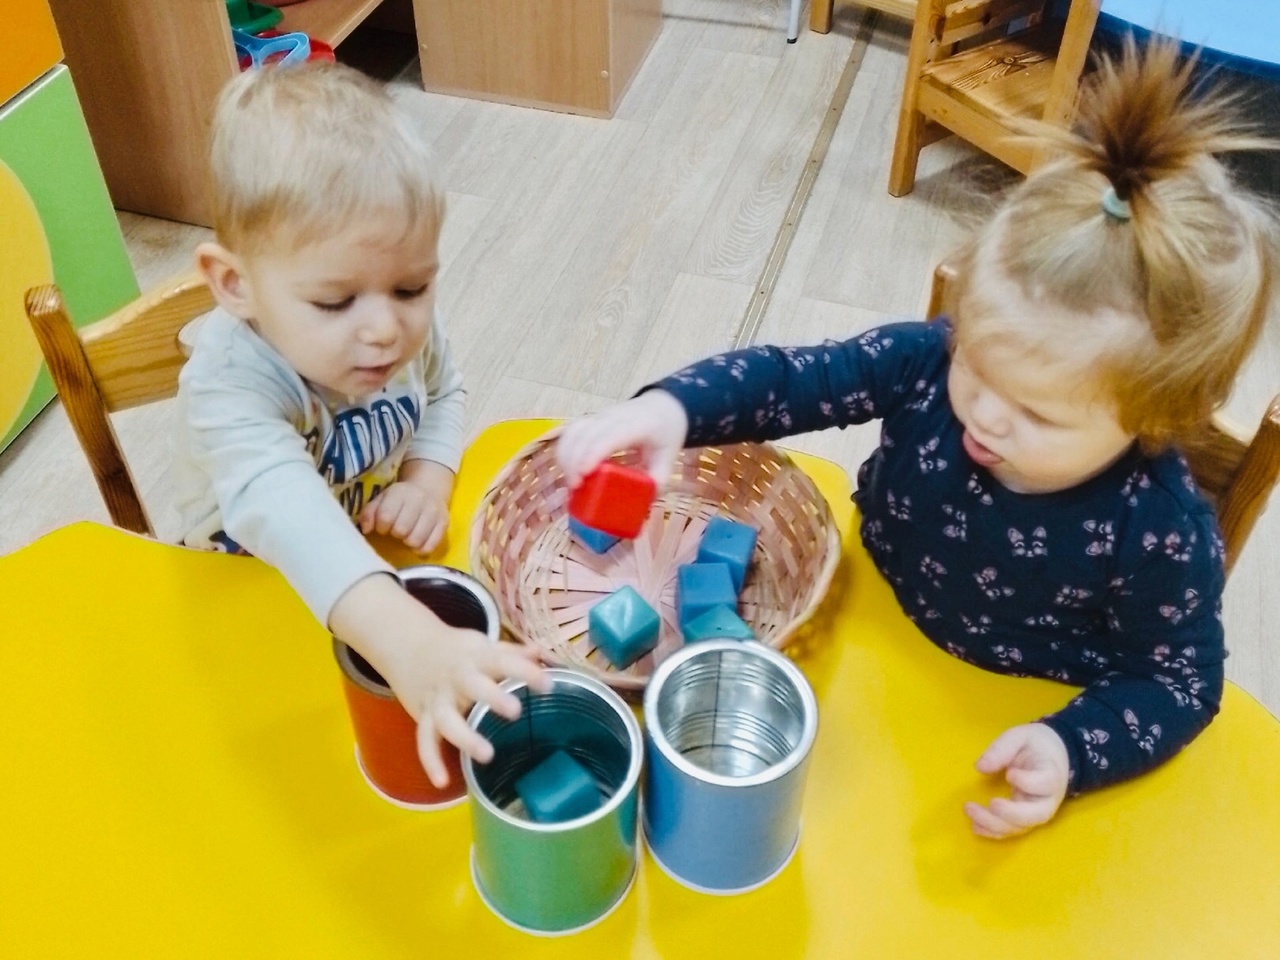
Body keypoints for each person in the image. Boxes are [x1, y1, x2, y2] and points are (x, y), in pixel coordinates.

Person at [556, 38, 1277, 837]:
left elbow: (1179, 684)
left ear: (1153, 417)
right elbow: (790, 380)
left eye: (1038, 414)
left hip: (998, 717)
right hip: (862, 621)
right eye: (976, 361)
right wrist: (673, 409)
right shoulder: (926, 361)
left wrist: (1070, 748)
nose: (985, 415)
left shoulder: (1161, 528)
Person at [173, 62, 547, 785]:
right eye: (335, 302)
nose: (384, 329)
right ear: (235, 285)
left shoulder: (396, 325)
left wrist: (426, 481)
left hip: (367, 565)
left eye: (411, 287)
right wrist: (409, 643)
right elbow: (284, 509)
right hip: (247, 588)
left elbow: (443, 391)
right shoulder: (229, 382)